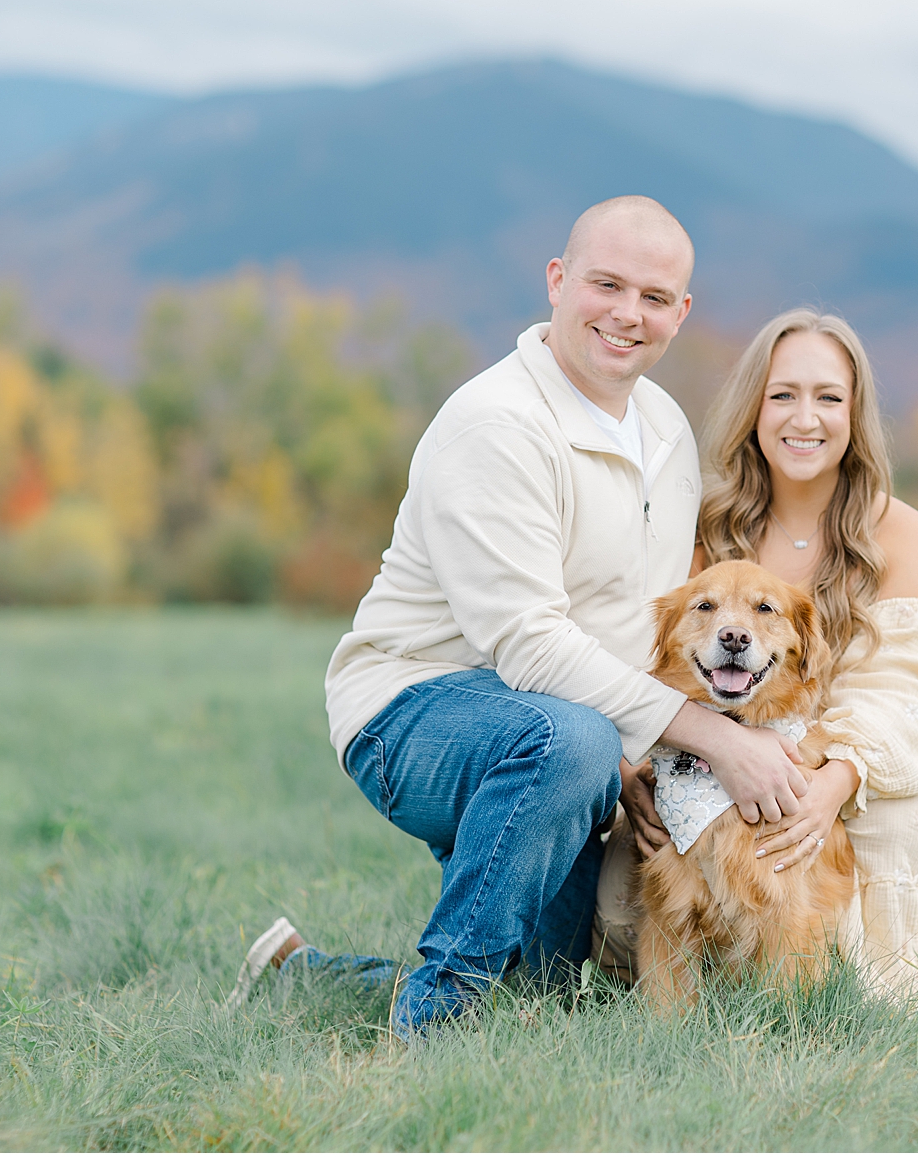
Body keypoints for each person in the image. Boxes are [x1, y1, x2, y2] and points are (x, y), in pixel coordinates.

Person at [224, 196, 812, 1036]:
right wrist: (713, 738)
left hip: (569, 731)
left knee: (547, 990)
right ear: (557, 281)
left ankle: (302, 978)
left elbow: (636, 629)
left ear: (680, 314)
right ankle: (429, 1039)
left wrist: (635, 762)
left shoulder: (668, 434)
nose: (626, 314)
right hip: (416, 712)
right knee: (565, 742)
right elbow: (531, 647)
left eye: (653, 298)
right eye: (605, 284)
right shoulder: (495, 424)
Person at [595, 308, 918, 999]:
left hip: (853, 778)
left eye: (828, 397)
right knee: (618, 903)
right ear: (754, 405)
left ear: (857, 413)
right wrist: (632, 764)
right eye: (783, 394)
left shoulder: (902, 535)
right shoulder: (703, 526)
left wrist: (830, 784)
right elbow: (649, 657)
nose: (803, 418)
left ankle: (837, 980)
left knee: (862, 939)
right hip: (699, 763)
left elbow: (908, 692)